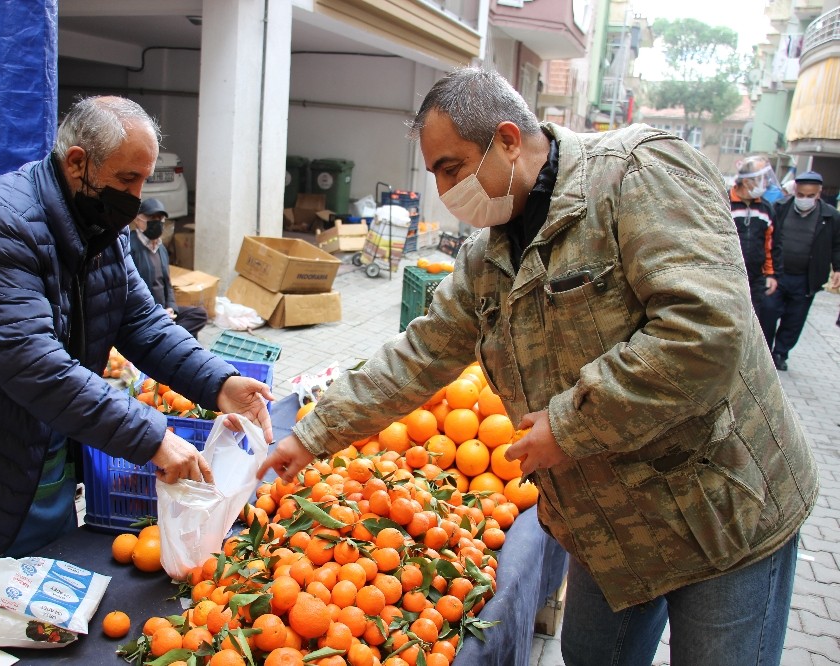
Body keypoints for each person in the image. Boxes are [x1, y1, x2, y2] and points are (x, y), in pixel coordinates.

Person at [258, 68, 818, 665]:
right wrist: (314, 433)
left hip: (721, 510)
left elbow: (706, 331)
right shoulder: (487, 254)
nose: (446, 191)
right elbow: (422, 351)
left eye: (452, 168)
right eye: (436, 175)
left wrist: (570, 425)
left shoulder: (638, 174)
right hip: (613, 526)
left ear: (506, 139)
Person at [0, 96, 274, 618]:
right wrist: (153, 436)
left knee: (32, 624)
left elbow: (142, 321)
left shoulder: (100, 232)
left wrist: (220, 383)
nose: (136, 198)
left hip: (42, 467)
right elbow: (32, 362)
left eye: (144, 180)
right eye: (127, 179)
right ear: (76, 163)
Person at [759, 170, 840, 370]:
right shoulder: (780, 208)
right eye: (801, 195)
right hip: (777, 275)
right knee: (768, 313)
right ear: (795, 191)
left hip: (806, 278)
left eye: (810, 196)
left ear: (818, 194)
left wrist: (838, 268)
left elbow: (837, 245)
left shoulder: (831, 216)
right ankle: (764, 352)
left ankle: (781, 353)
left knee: (794, 319)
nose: (805, 199)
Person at [129, 197, 208, 339]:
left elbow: (167, 284)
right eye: (151, 217)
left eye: (160, 218)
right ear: (137, 219)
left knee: (198, 314)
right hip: (146, 314)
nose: (157, 222)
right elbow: (132, 289)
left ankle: (167, 336)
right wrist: (157, 312)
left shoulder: (161, 249)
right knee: (187, 334)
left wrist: (171, 307)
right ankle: (168, 337)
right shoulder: (130, 246)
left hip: (164, 312)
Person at [729, 156, 779, 315]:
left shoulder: (765, 208)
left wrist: (771, 274)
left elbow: (771, 244)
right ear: (747, 181)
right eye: (761, 178)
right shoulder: (724, 202)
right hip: (728, 276)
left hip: (755, 278)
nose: (765, 182)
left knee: (752, 320)